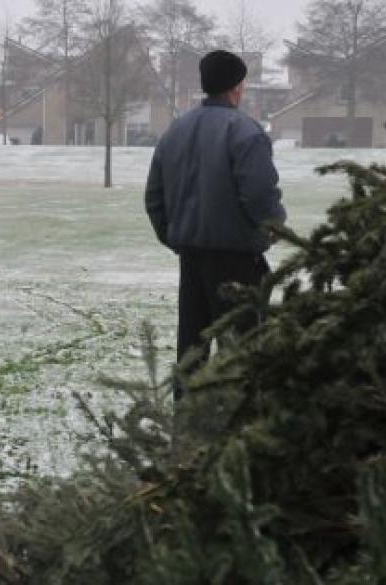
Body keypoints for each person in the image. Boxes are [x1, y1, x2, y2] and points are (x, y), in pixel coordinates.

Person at [144, 50, 287, 400]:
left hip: (191, 258)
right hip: (237, 260)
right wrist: (273, 228)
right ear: (236, 88)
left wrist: (176, 237)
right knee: (242, 351)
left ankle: (188, 431)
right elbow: (259, 195)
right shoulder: (245, 132)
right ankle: (236, 431)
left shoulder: (174, 131)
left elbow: (154, 197)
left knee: (191, 349)